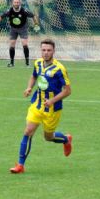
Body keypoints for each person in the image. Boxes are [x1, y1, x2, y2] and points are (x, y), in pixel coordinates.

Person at [10, 39, 72, 174]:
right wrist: (29, 88)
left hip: (52, 109)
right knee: (28, 132)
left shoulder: (59, 69)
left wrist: (52, 101)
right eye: (43, 50)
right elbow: (33, 76)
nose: (46, 53)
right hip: (37, 104)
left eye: (49, 50)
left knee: (48, 137)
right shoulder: (37, 63)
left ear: (53, 51)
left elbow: (67, 90)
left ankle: (66, 139)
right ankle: (20, 165)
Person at [0, 0, 40, 67]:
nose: (16, 3)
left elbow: (33, 16)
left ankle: (27, 63)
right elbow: (1, 16)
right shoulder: (9, 10)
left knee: (24, 44)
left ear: (20, 3)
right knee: (12, 45)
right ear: (12, 3)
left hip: (23, 29)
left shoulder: (24, 10)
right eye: (15, 2)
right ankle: (12, 63)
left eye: (17, 2)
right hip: (13, 29)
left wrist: (36, 25)